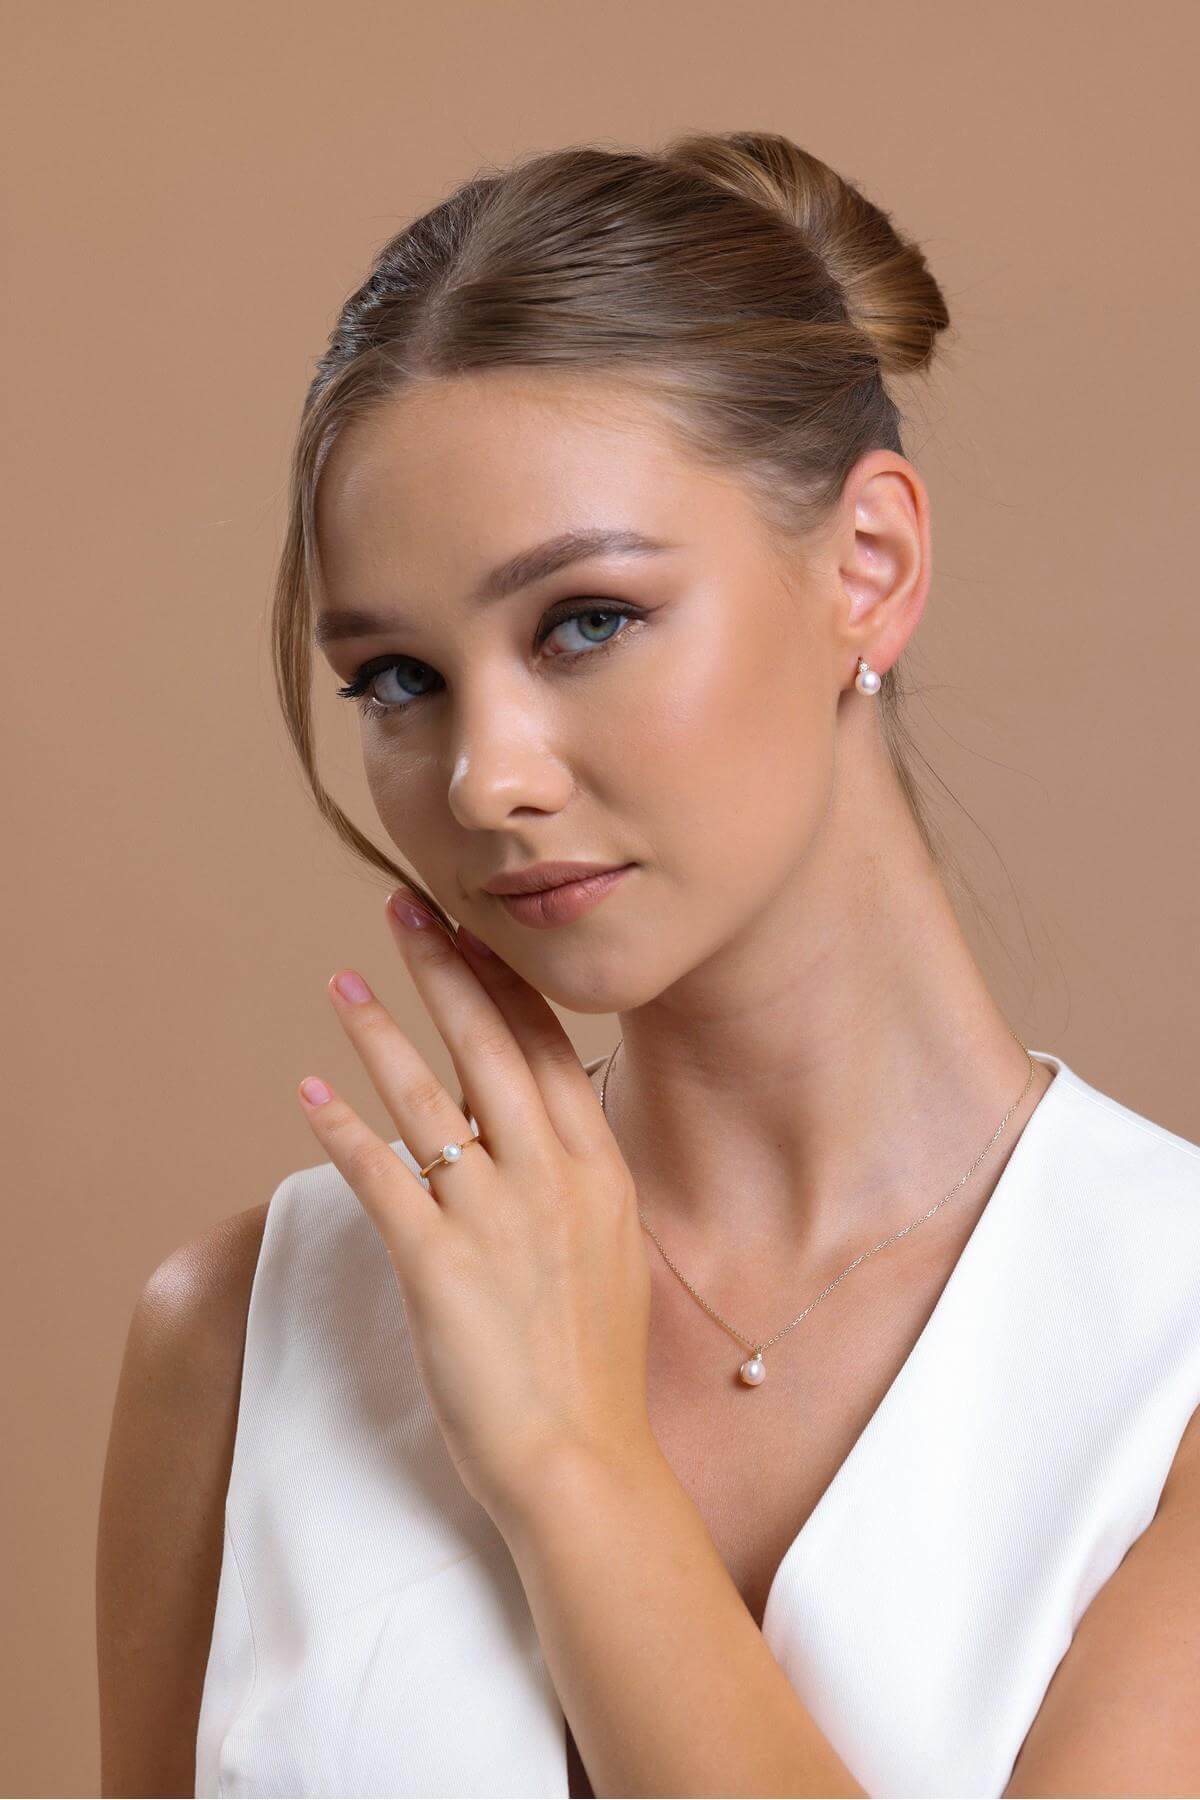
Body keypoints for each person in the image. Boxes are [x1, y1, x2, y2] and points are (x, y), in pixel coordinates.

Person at [97, 131, 1200, 1798]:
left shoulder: (1170, 1350)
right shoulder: (241, 1341)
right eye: (398, 679)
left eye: (586, 621)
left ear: (869, 566)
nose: (486, 778)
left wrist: (574, 1463)